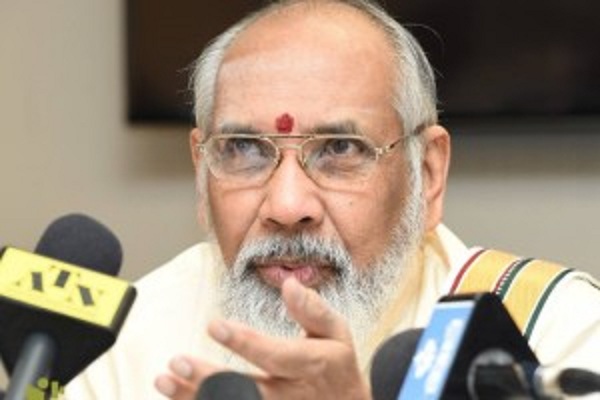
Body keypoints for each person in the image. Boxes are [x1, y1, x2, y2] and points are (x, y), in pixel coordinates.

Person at [65, 0, 600, 399]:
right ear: (202, 174)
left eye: (340, 149)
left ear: (428, 174)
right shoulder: (126, 339)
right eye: (244, 149)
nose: (286, 205)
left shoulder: (553, 332)